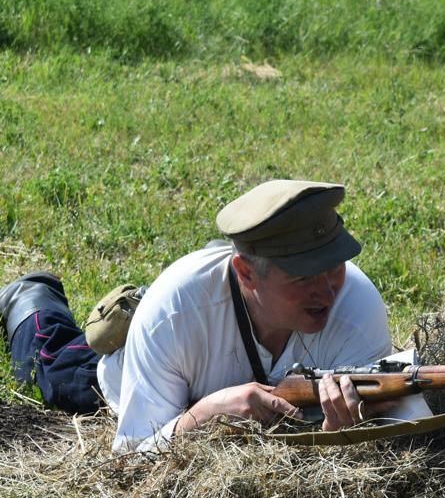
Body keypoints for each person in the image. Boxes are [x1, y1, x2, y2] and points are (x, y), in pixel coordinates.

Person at [0, 179, 396, 452]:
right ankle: (30, 294)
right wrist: (207, 412)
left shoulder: (357, 306)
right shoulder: (173, 313)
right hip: (135, 378)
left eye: (333, 267)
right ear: (245, 272)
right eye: (304, 276)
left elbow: (380, 428)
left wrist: (339, 433)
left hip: (190, 336)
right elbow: (135, 454)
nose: (328, 291)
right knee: (50, 367)